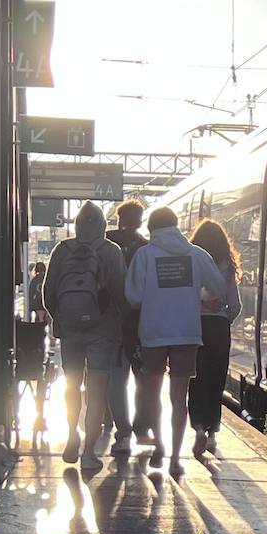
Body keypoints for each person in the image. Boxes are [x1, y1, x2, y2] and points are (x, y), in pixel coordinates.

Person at [125, 207, 226, 475]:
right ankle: (175, 460)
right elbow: (218, 287)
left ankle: (159, 445)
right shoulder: (196, 254)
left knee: (153, 393)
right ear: (177, 225)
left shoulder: (145, 255)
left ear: (152, 229)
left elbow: (133, 297)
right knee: (179, 398)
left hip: (153, 334)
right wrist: (198, 295)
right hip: (187, 333)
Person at [44, 202, 126, 472]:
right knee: (96, 389)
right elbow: (121, 293)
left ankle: (71, 433)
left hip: (70, 331)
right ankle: (89, 452)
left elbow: (49, 290)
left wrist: (58, 318)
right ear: (103, 226)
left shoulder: (62, 250)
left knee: (71, 385)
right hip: (102, 331)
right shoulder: (111, 252)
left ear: (77, 226)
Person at [186, 219, 242, 458]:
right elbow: (236, 306)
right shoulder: (227, 267)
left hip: (194, 327)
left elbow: (185, 296)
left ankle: (198, 427)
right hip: (219, 329)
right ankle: (212, 434)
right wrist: (223, 317)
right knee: (216, 381)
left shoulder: (191, 262)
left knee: (196, 380)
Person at [104, 199, 149, 455]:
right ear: (141, 220)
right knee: (143, 379)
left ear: (118, 219)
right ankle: (141, 427)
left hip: (111, 322)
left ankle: (122, 433)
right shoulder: (147, 248)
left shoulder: (106, 243)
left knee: (116, 380)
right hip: (140, 323)